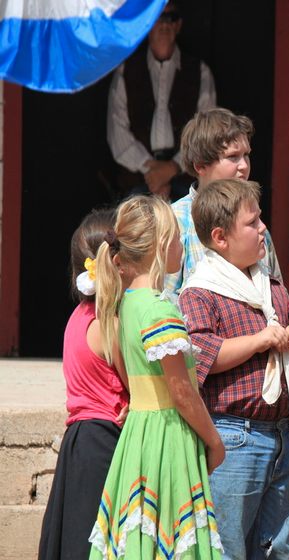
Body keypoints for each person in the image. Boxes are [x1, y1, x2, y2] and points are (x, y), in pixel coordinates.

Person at [178, 178, 289, 560]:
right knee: (227, 547)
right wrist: (262, 339)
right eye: (253, 223)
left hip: (281, 437)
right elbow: (201, 354)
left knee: (275, 546)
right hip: (234, 438)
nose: (262, 230)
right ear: (220, 237)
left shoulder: (270, 287)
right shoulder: (200, 291)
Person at [88, 196, 225, 559]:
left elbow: (132, 374)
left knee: (142, 537)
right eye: (180, 237)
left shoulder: (127, 302)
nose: (183, 244)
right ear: (163, 244)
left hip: (139, 434)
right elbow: (181, 392)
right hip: (167, 435)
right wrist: (214, 442)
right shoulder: (159, 307)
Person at [37, 209, 130, 560]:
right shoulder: (111, 325)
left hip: (80, 442)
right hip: (105, 442)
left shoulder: (79, 318)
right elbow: (137, 389)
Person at [164, 108, 283, 294]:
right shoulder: (175, 222)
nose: (244, 165)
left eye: (246, 154)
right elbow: (164, 298)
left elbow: (277, 294)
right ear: (200, 165)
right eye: (232, 157)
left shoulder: (256, 223)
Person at [107, 0, 217, 201]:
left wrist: (173, 167)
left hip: (186, 180)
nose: (164, 24)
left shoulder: (199, 72)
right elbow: (117, 133)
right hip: (137, 181)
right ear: (147, 24)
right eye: (158, 17)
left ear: (179, 25)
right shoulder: (126, 71)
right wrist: (153, 173)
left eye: (171, 17)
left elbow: (206, 132)